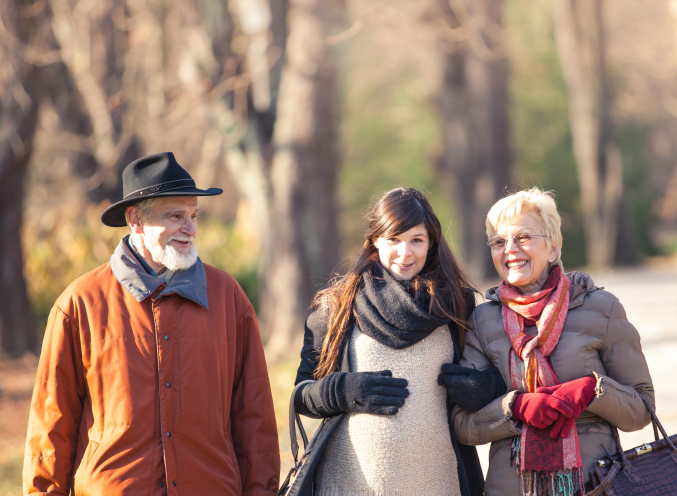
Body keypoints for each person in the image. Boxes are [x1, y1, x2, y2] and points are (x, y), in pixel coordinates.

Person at [24, 152, 280, 495]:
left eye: (193, 215)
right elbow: (51, 425)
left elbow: (255, 417)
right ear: (135, 221)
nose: (190, 228)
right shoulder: (79, 304)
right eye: (176, 216)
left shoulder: (229, 298)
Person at [293, 187, 507, 496]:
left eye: (416, 240)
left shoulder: (460, 305)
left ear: (431, 243)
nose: (405, 253)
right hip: (346, 486)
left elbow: (502, 382)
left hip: (441, 485)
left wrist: (483, 388)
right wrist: (342, 390)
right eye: (394, 239)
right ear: (375, 241)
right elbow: (302, 395)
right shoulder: (336, 306)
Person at [452, 188, 655, 496]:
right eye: (499, 241)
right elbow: (463, 425)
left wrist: (591, 391)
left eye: (522, 237)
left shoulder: (601, 307)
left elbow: (642, 410)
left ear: (553, 247)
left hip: (594, 485)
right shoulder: (482, 321)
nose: (509, 249)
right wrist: (516, 407)